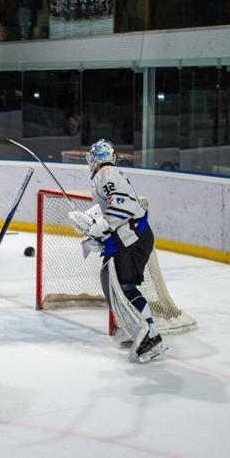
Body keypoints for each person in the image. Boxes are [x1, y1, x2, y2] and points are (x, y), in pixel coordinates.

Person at [70, 139, 167, 363]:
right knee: (116, 287)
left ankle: (150, 336)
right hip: (127, 239)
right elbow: (111, 213)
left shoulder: (106, 174)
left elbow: (123, 206)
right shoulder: (105, 175)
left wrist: (99, 227)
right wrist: (94, 233)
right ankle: (134, 328)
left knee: (125, 288)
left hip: (131, 239)